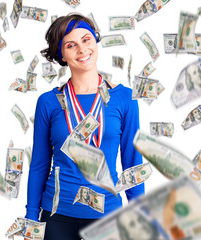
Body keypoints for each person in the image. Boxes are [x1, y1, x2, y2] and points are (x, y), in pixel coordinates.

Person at [25, 13, 144, 240]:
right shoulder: (48, 102)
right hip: (57, 216)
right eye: (71, 45)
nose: (82, 49)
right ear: (62, 54)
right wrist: (31, 219)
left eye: (86, 39)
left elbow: (132, 164)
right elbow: (40, 164)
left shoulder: (125, 99)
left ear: (95, 40)